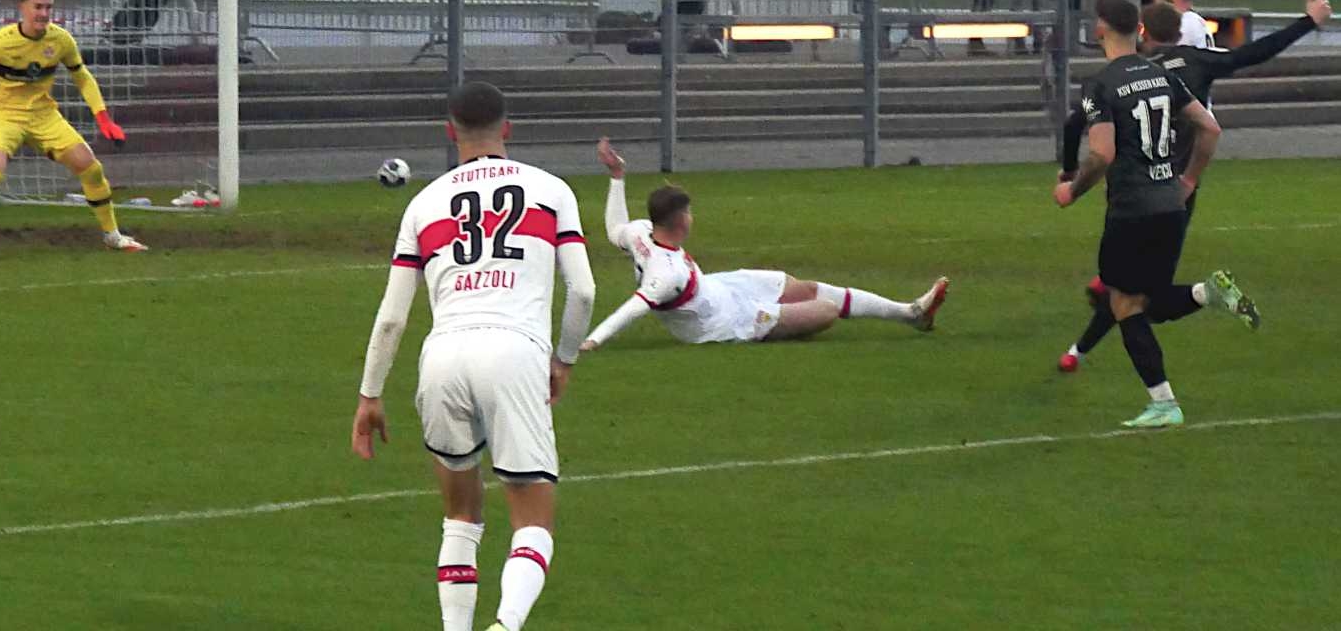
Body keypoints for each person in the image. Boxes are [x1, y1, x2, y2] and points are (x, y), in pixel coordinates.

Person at [351, 81, 596, 631]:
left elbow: (391, 317)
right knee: (532, 521)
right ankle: (505, 626)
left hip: (442, 357)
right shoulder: (551, 190)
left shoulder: (423, 203)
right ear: (507, 128)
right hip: (514, 351)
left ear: (449, 131)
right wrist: (563, 360)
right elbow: (582, 291)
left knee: (460, 516)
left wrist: (370, 394)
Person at [1055, 0, 1329, 371]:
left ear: (1143, 31)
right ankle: (1078, 351)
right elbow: (1253, 55)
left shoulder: (1135, 73)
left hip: (1136, 191)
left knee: (1138, 297)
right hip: (1180, 190)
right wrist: (1308, 22)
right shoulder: (1195, 62)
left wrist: (1069, 173)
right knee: (1143, 293)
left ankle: (1086, 351)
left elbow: (1077, 122)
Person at [577, 138, 948, 351]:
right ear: (679, 221)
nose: (692, 217)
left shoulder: (642, 231)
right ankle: (907, 316)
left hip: (720, 287)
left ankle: (910, 313)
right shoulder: (666, 273)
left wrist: (617, 175)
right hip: (726, 322)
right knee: (826, 310)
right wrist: (592, 342)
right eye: (689, 212)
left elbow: (614, 228)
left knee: (802, 287)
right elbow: (633, 309)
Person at [1053, 0, 1223, 428]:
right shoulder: (1162, 74)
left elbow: (1102, 154)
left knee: (1124, 303)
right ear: (1139, 31)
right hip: (1171, 206)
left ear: (1100, 28)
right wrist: (1188, 180)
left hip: (1131, 209)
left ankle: (1163, 403)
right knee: (1149, 301)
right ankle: (1206, 294)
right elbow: (1209, 127)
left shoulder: (1100, 85)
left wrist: (1072, 190)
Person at [0, 0, 146, 255]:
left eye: (48, 8)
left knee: (91, 168)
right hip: (5, 117)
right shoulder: (0, 42)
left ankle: (112, 235)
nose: (44, 13)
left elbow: (82, 77)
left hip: (44, 116)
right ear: (22, 7)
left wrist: (103, 118)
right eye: (38, 7)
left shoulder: (61, 39)